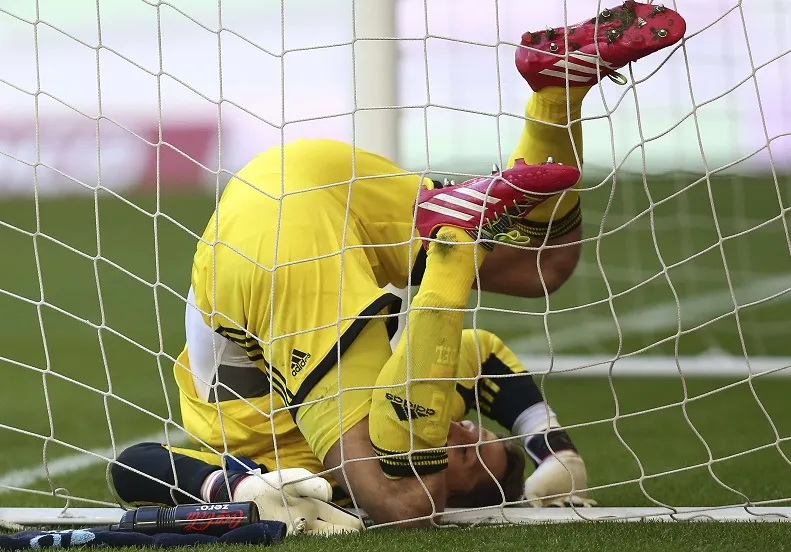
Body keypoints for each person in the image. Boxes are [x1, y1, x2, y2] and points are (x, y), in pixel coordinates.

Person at [111, 1, 686, 532]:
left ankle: (471, 209)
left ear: (464, 490)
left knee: (403, 496)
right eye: (477, 432)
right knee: (542, 268)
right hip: (312, 208)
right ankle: (548, 105)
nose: (461, 429)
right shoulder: (415, 416)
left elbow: (134, 464)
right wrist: (552, 449)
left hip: (277, 220)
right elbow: (483, 355)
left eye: (462, 452)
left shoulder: (293, 466)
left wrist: (239, 484)